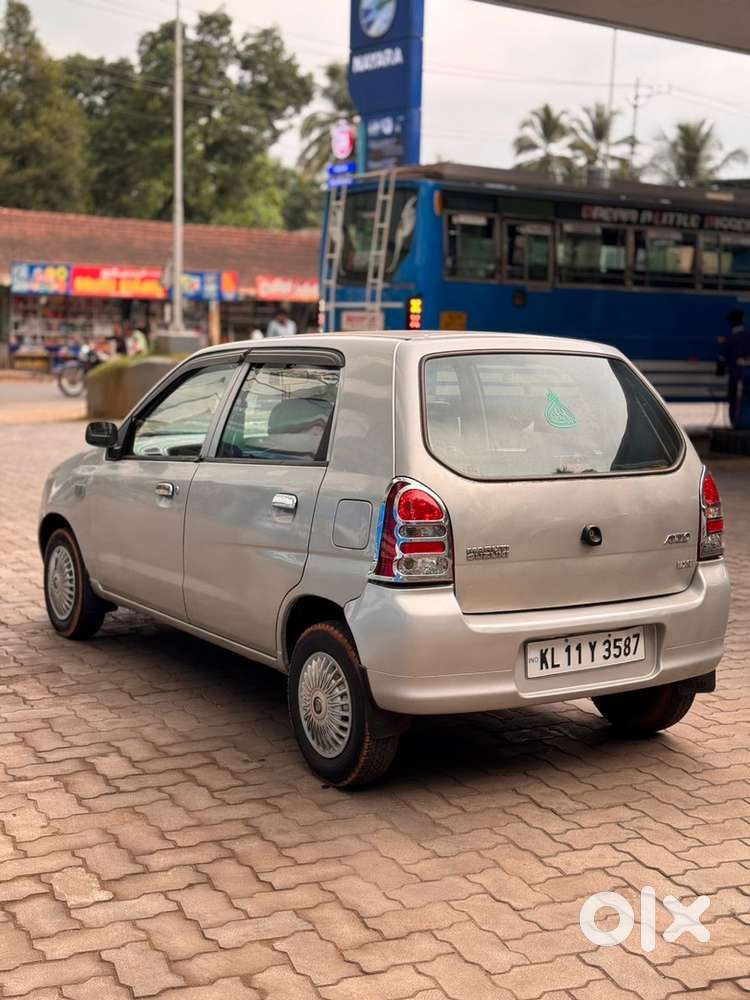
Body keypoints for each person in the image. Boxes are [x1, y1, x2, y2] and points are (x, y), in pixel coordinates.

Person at [725, 309, 750, 426]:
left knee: (733, 399)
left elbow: (725, 355)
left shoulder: (730, 338)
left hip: (735, 374)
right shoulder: (748, 335)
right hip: (747, 374)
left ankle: (735, 422)